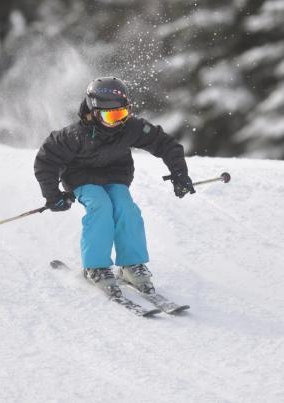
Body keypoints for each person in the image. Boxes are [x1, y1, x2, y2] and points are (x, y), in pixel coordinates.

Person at [34, 77, 195, 296]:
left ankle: (131, 265)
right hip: (82, 178)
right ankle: (95, 267)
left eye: (122, 114)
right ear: (94, 111)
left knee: (126, 208)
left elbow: (166, 144)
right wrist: (53, 195)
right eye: (111, 115)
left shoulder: (130, 128)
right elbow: (46, 160)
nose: (118, 121)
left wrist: (179, 174)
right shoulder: (73, 135)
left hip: (115, 176)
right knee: (100, 207)